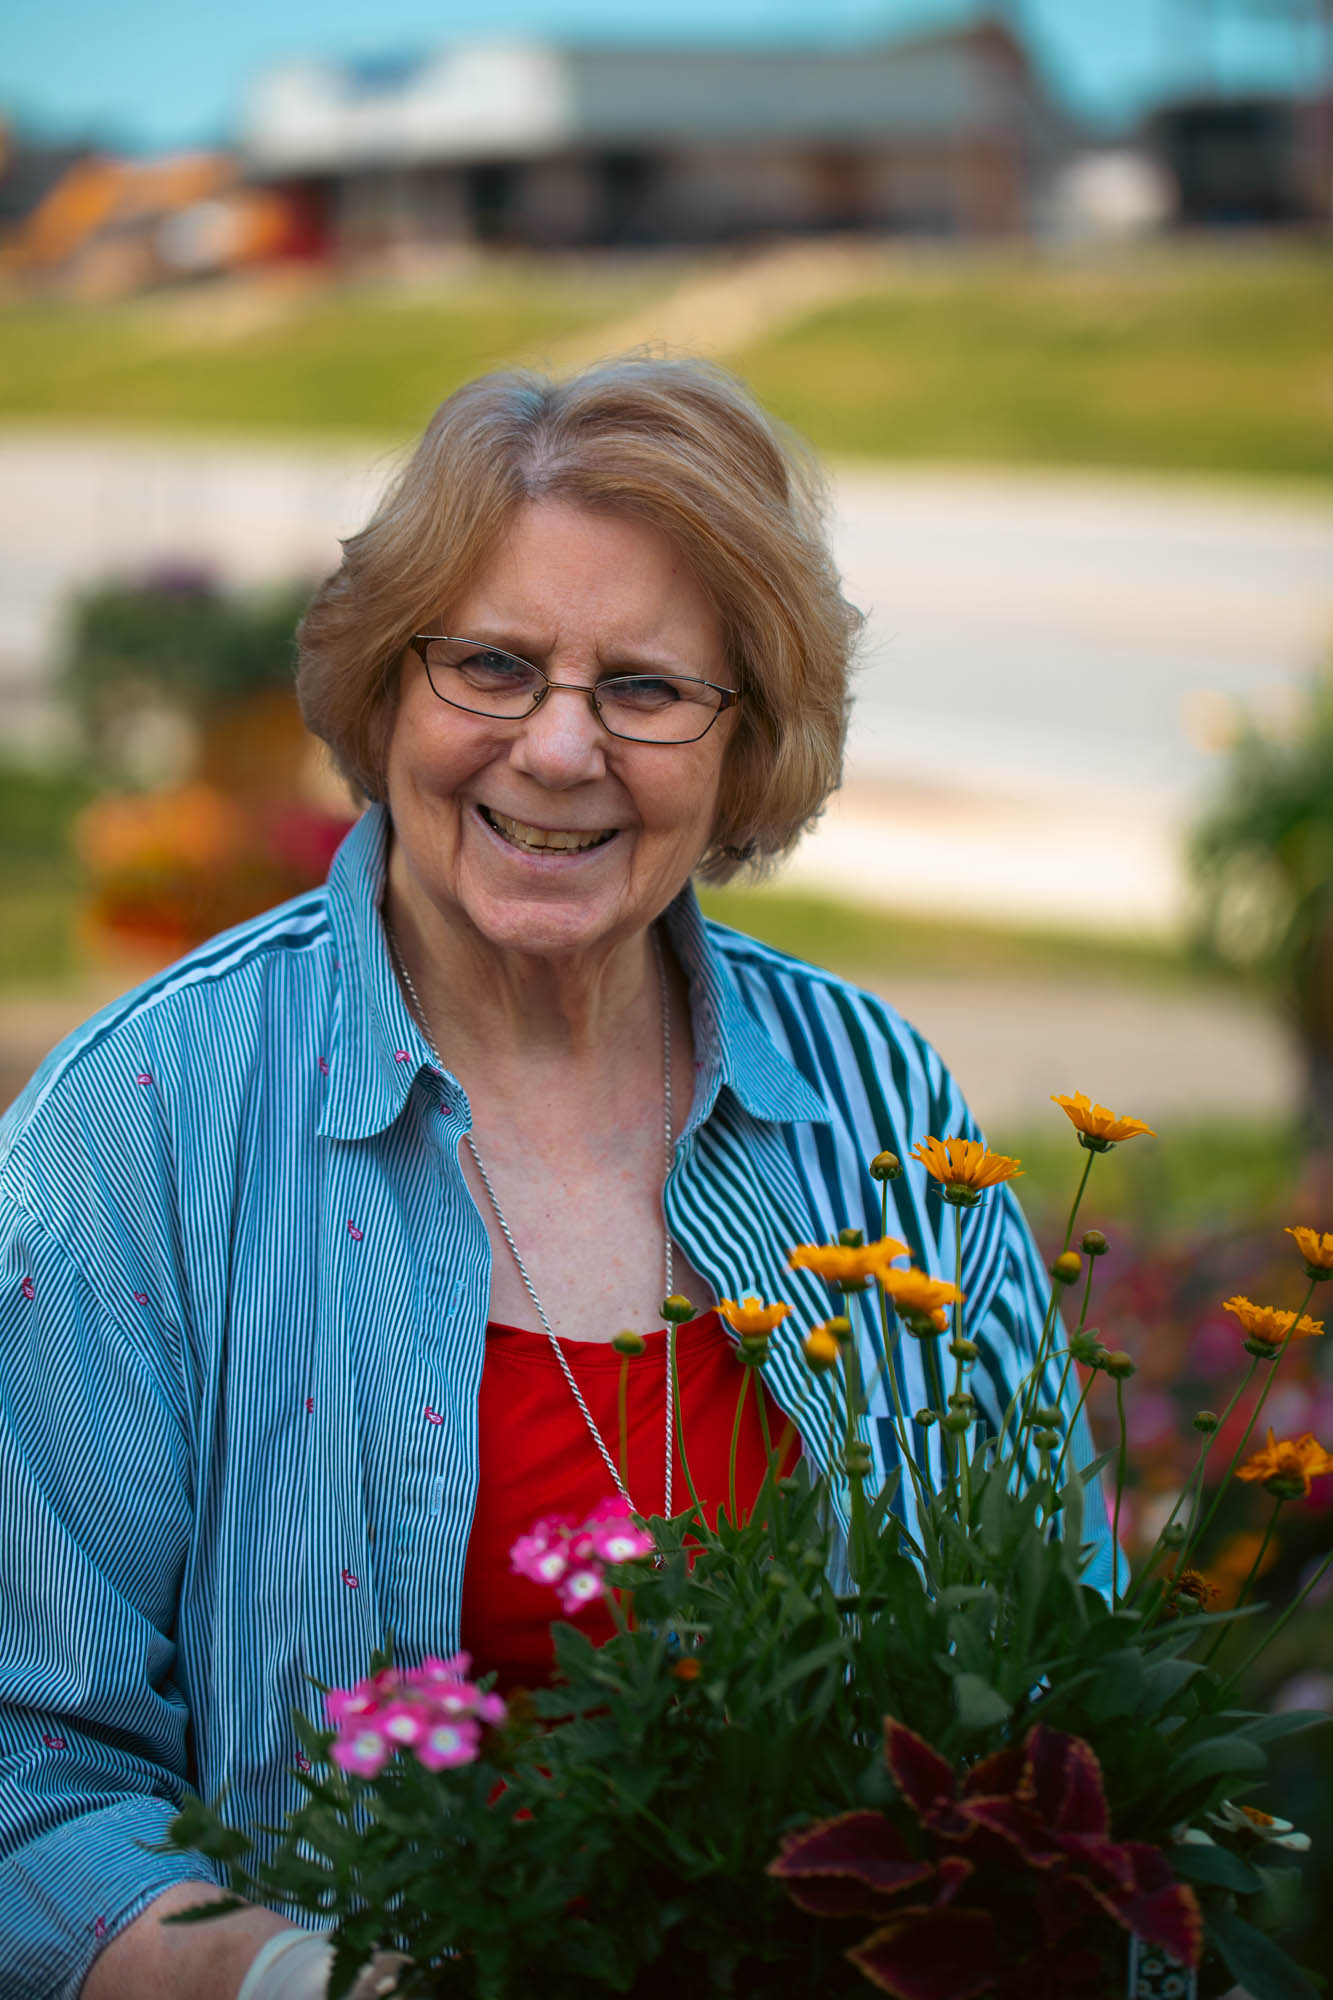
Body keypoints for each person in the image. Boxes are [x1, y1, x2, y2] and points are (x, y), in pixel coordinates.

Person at [0, 356, 1112, 2000]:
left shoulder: (876, 1101)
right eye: (495, 667)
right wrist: (310, 1982)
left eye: (650, 690)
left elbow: (1054, 1651)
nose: (561, 748)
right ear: (386, 686)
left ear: (748, 749)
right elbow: (32, 1783)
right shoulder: (147, 1121)